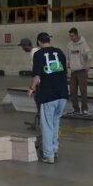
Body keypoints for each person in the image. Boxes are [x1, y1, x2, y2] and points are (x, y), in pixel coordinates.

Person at [27, 32, 68, 164]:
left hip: (48, 95)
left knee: (47, 125)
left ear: (39, 42)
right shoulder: (60, 52)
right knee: (55, 123)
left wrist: (32, 88)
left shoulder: (38, 54)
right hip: (62, 94)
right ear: (49, 40)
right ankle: (54, 149)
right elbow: (64, 72)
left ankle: (48, 155)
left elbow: (37, 76)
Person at [66, 27, 92, 116]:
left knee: (83, 90)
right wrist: (68, 63)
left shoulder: (83, 44)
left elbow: (89, 55)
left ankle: (85, 110)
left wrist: (88, 63)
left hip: (82, 71)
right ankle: (76, 109)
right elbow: (68, 56)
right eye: (70, 36)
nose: (71, 38)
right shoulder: (69, 45)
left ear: (77, 35)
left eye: (72, 36)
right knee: (72, 91)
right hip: (73, 71)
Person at [18, 38, 39, 130]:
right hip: (40, 82)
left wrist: (32, 87)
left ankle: (40, 123)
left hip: (40, 83)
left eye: (22, 47)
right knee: (39, 102)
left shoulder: (34, 53)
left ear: (26, 46)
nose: (22, 49)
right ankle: (37, 122)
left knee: (39, 102)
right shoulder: (35, 52)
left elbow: (37, 71)